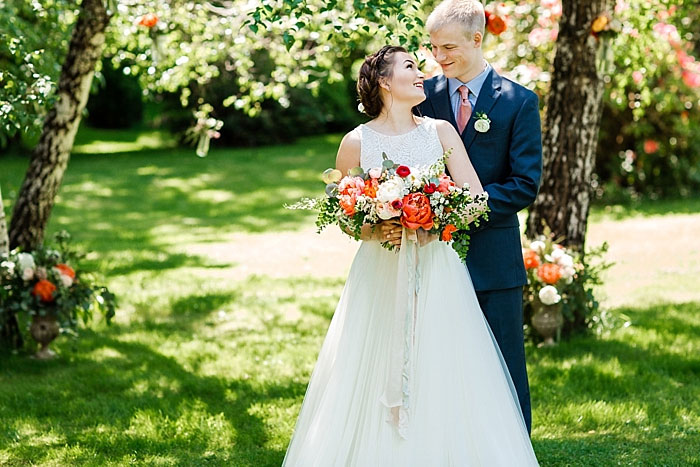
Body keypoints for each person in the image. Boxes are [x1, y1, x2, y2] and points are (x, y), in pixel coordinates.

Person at [282, 45, 538, 466]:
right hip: (380, 268)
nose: (422, 73)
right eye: (410, 67)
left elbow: (473, 197)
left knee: (442, 355)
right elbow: (344, 215)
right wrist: (374, 225)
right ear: (384, 81)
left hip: (437, 264)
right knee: (372, 355)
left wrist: (434, 219)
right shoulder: (356, 142)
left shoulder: (439, 131)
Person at [417, 0, 543, 433]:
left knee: (504, 362)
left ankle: (513, 450)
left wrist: (463, 207)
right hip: (429, 253)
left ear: (477, 38)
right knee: (436, 360)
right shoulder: (422, 98)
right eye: (433, 48)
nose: (439, 57)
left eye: (449, 46)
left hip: (494, 257)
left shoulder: (518, 102)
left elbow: (525, 183)